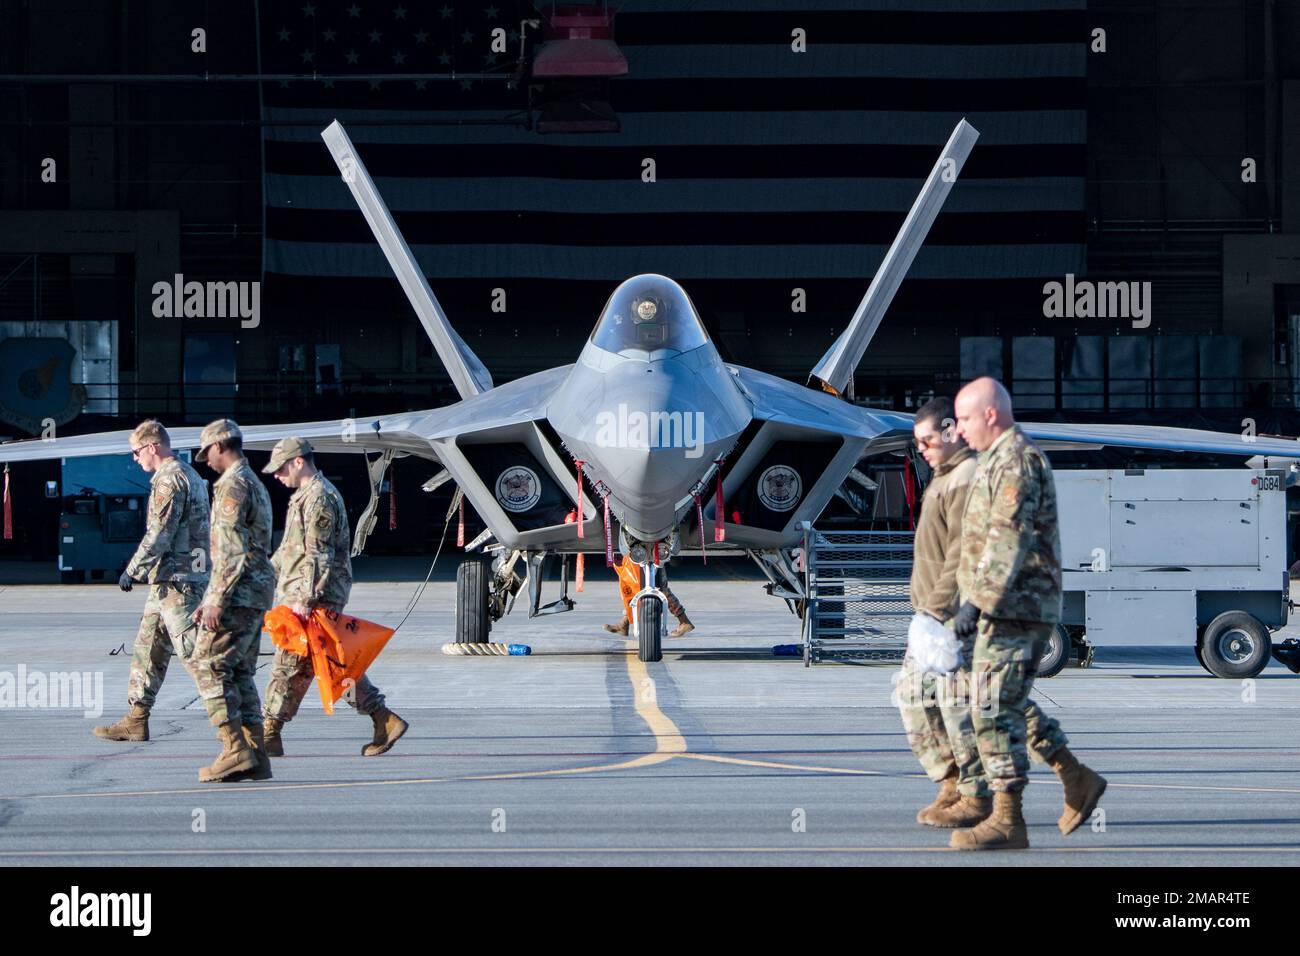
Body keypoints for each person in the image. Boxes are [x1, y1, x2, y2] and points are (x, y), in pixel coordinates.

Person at [949, 377, 1106, 849]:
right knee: (999, 697)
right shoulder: (994, 461)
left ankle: (1007, 818)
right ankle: (1074, 776)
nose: (958, 429)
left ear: (991, 415)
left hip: (1018, 605)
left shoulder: (1017, 461)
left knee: (991, 704)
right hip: (1005, 603)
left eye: (965, 419)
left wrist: (976, 601)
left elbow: (1008, 539)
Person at [898, 398, 1068, 829]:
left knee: (971, 704)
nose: (921, 449)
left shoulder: (969, 477)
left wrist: (939, 612)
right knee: (919, 697)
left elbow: (962, 555)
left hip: (953, 616)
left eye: (928, 440)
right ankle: (955, 782)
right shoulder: (944, 478)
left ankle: (977, 793)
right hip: (933, 615)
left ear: (954, 430)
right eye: (917, 442)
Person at [261, 437, 408, 757]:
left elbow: (319, 555)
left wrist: (306, 598)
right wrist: (262, 574)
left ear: (299, 461)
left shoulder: (319, 499)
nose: (276, 475)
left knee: (289, 662)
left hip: (314, 596)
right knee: (333, 666)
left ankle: (268, 732)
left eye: (281, 468)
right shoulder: (306, 497)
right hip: (307, 592)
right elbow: (290, 549)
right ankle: (383, 719)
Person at [94, 421, 210, 742]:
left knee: (194, 654)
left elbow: (160, 532)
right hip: (170, 581)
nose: (134, 459)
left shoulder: (169, 481)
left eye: (136, 451)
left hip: (178, 582)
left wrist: (133, 569)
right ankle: (136, 717)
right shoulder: (191, 475)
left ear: (152, 447)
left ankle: (236, 721)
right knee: (148, 649)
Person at [191, 419, 277, 783]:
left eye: (207, 452)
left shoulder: (232, 487)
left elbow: (232, 553)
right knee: (239, 670)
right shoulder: (253, 483)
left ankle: (233, 748)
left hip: (238, 592)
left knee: (207, 664)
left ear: (220, 446)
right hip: (254, 591)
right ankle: (255, 753)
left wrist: (214, 600)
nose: (205, 460)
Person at [604, 554, 693, 637]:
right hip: (640, 550)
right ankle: (625, 622)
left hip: (654, 551)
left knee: (660, 588)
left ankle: (684, 620)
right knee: (633, 584)